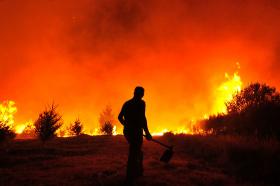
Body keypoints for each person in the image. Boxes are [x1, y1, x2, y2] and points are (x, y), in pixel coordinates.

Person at [118, 86, 152, 183]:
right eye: (142, 93)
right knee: (133, 152)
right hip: (136, 132)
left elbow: (120, 117)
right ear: (140, 94)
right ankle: (130, 176)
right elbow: (143, 118)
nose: (143, 95)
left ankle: (138, 171)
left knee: (136, 150)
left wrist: (126, 125)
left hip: (128, 132)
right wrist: (147, 132)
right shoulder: (141, 103)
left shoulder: (127, 103)